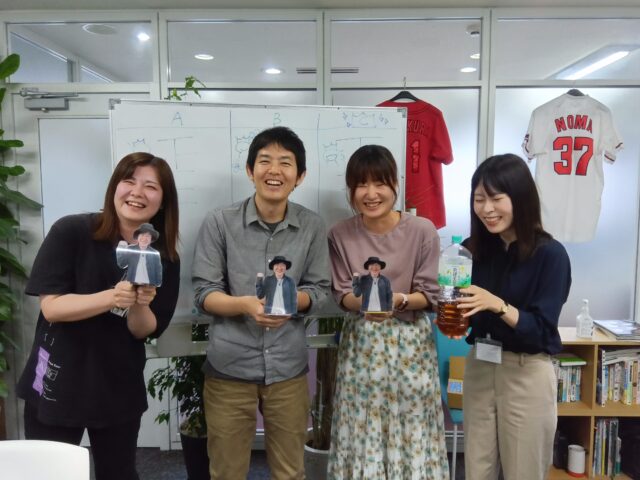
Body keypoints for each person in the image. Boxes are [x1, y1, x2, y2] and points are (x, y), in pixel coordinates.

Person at [16, 152, 180, 480]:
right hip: (58, 380)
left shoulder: (162, 257)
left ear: (162, 201)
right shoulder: (72, 231)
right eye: (129, 181)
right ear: (114, 187)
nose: (137, 192)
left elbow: (144, 330)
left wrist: (140, 303)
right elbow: (52, 308)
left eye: (151, 186)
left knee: (118, 472)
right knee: (50, 473)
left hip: (117, 383)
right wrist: (111, 298)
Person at [192, 126, 331, 480]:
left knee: (290, 472)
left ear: (300, 176)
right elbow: (204, 294)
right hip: (229, 368)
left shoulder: (312, 226)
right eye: (265, 160)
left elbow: (319, 291)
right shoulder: (220, 222)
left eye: (286, 162)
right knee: (226, 473)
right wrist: (246, 305)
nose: (274, 170)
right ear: (250, 170)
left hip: (288, 370)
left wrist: (290, 302)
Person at [327, 144, 449, 479]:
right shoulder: (339, 234)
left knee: (412, 430)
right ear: (351, 190)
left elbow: (430, 294)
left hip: (410, 348)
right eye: (361, 185)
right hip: (362, 346)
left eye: (380, 183)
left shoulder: (422, 230)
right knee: (361, 428)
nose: (371, 194)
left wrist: (399, 301)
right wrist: (368, 303)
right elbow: (341, 293)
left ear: (395, 183)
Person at [456, 153, 572, 480]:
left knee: (523, 471)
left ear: (520, 198)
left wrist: (499, 305)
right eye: (479, 199)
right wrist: (454, 316)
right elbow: (466, 312)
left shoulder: (551, 255)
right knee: (477, 470)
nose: (486, 209)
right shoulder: (473, 249)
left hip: (526, 373)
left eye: (496, 198)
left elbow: (542, 330)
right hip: (480, 365)